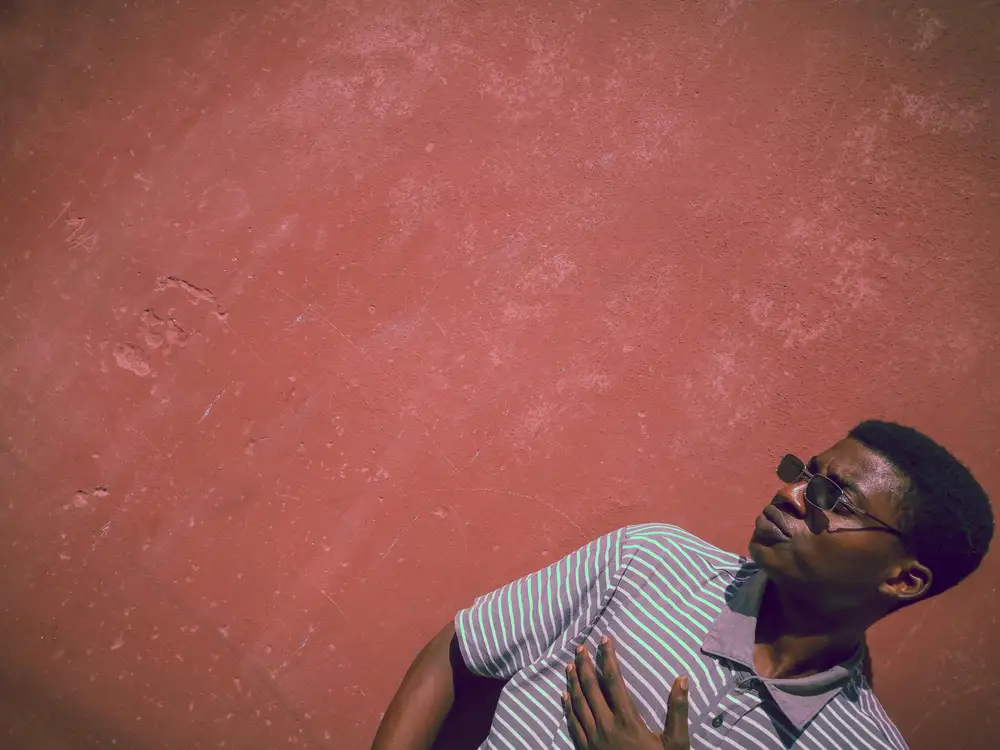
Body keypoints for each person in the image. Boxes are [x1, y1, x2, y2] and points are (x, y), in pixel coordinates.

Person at [372, 420, 993, 749]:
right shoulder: (648, 561)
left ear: (904, 579)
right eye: (804, 474)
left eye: (833, 497)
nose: (790, 494)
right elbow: (457, 651)